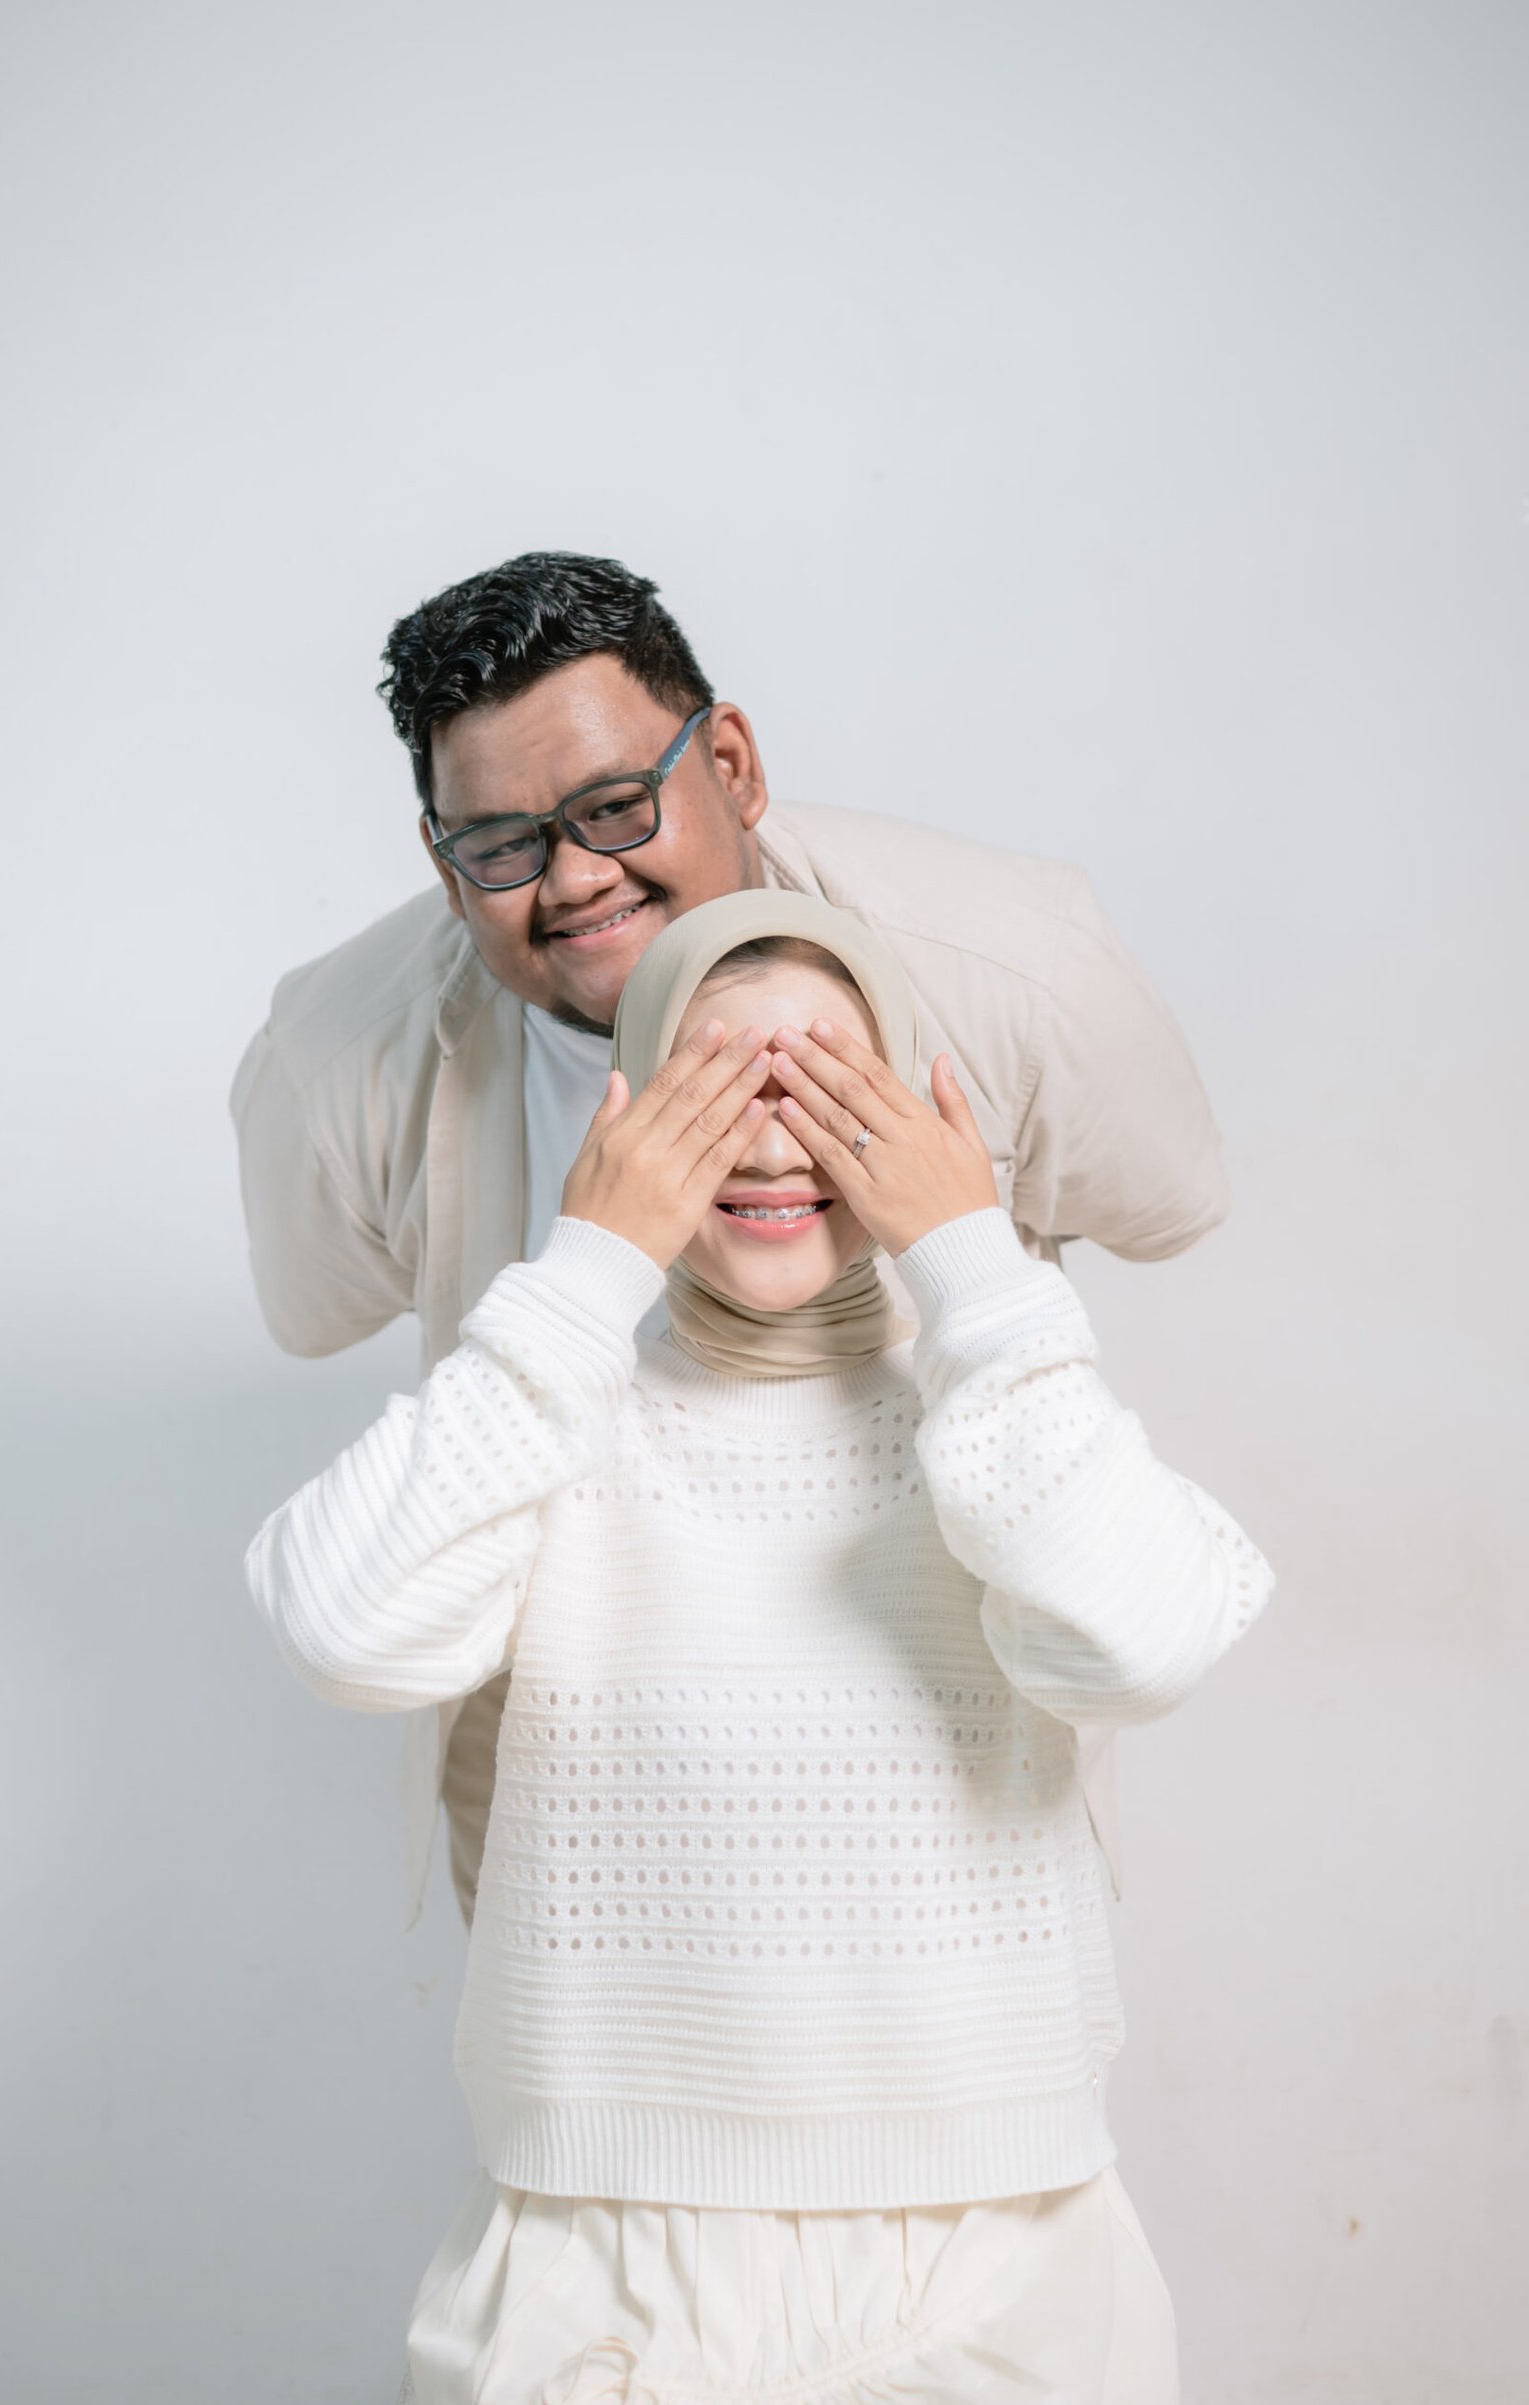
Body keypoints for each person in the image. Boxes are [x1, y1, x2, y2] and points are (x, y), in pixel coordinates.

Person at [247, 890, 1271, 2403]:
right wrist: (589, 1265)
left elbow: (1149, 1641)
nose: (777, 1138)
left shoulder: (1001, 1412)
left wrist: (975, 1261)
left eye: (833, 1086)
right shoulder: (548, 1402)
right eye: (715, 1083)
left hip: (999, 2254)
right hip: (595, 2263)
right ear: (629, 1113)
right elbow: (345, 1627)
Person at [230, 551, 1231, 1928]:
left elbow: (1171, 1202)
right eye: (503, 844)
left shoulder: (1021, 970)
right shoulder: (337, 1055)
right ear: (444, 863)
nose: (576, 879)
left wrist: (963, 1245)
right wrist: (596, 1259)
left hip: (962, 1820)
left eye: (615, 806)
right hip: (576, 1866)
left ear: (735, 766)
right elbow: (316, 1313)